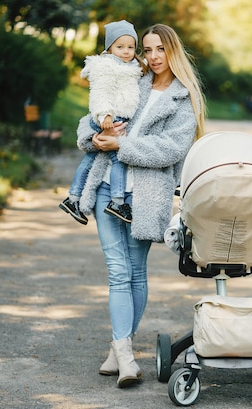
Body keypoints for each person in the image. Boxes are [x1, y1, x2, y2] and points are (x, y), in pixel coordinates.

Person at [74, 23, 205, 388]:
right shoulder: (134, 80)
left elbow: (172, 150)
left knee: (135, 272)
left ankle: (120, 349)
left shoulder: (184, 97)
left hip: (145, 195)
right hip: (105, 189)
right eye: (147, 50)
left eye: (159, 49)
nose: (152, 57)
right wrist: (96, 137)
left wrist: (123, 147)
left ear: (172, 50)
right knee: (117, 271)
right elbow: (96, 113)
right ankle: (126, 355)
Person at [59, 20, 145, 225]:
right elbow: (100, 93)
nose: (126, 51)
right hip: (108, 119)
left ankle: (73, 199)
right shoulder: (107, 67)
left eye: (131, 47)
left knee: (89, 160)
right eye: (120, 47)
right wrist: (105, 115)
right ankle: (117, 201)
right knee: (119, 159)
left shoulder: (128, 66)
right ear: (109, 48)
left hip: (115, 118)